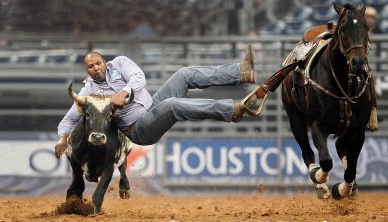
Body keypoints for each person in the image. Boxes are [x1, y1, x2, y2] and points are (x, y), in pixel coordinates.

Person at [54, 47, 259, 158]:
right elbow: (71, 117)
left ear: (104, 62)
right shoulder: (89, 90)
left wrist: (123, 92)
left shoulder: (120, 63)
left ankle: (242, 71)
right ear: (87, 71)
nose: (96, 68)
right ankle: (232, 110)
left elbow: (139, 78)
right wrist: (62, 138)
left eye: (98, 63)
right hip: (139, 129)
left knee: (184, 74)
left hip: (152, 105)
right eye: (90, 66)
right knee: (172, 105)